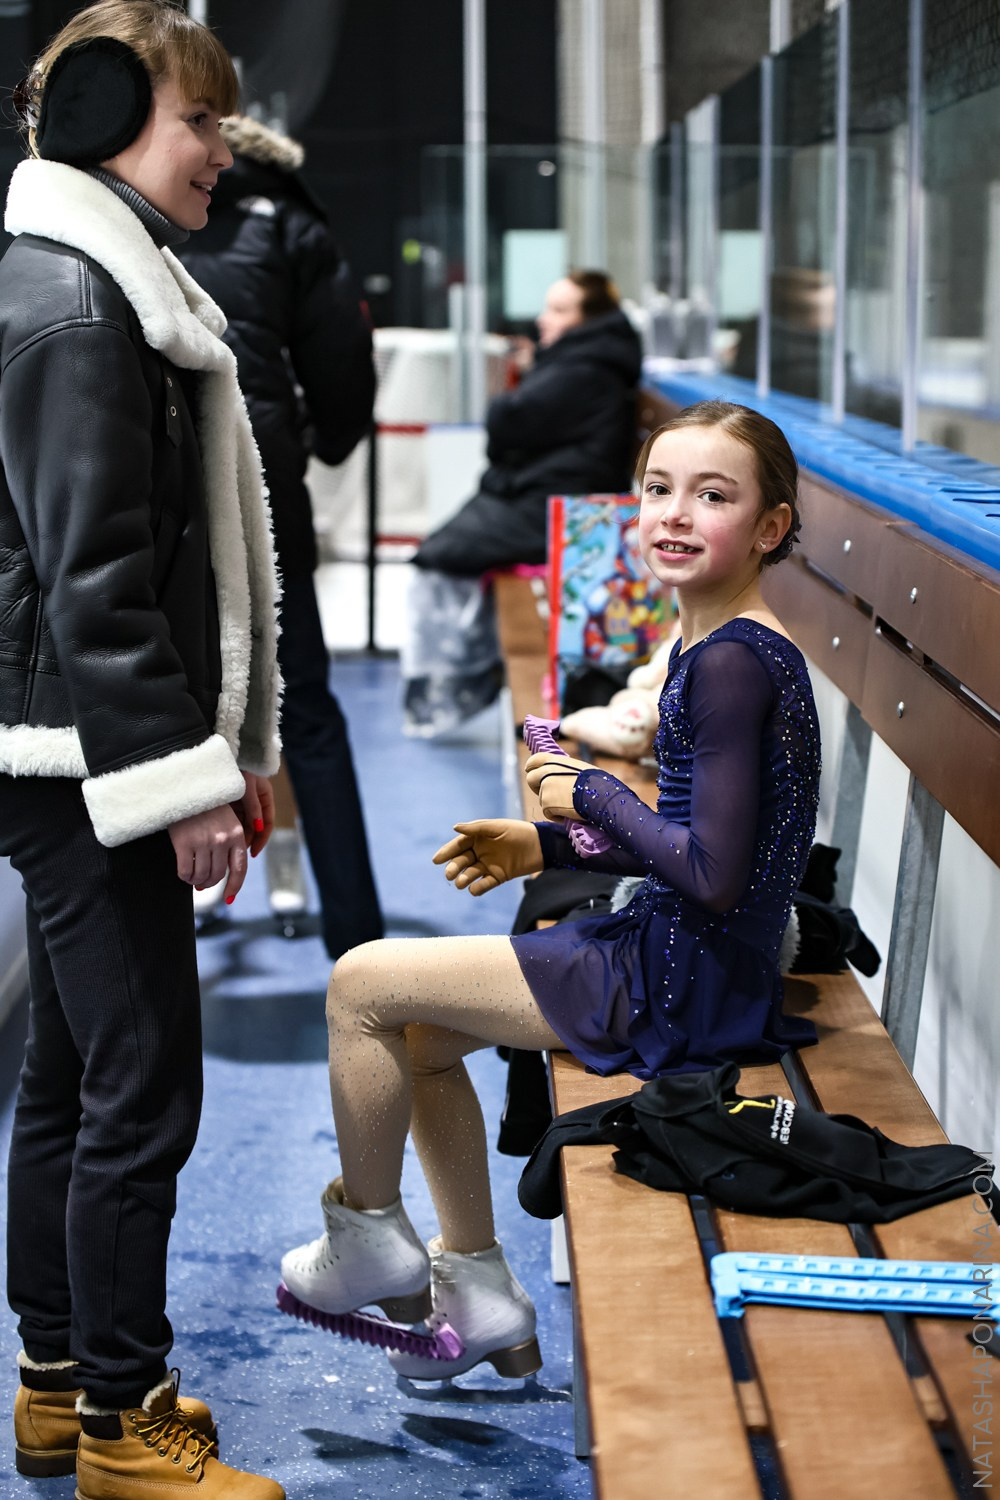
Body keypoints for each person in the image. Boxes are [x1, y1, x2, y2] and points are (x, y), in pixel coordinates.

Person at [280, 399, 821, 1381]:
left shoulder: (732, 664)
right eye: (658, 489)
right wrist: (542, 842)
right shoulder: (715, 645)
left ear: (770, 527)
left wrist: (596, 794)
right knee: (417, 1041)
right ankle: (480, 1289)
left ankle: (365, 1235)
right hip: (685, 957)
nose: (673, 513)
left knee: (360, 983)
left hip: (675, 982)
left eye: (712, 496)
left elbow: (713, 873)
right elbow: (712, 854)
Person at [0, 4, 284, 1496]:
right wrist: (184, 782)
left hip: (81, 750)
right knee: (142, 1088)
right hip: (85, 762)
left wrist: (236, 741)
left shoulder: (117, 284)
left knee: (71, 1074)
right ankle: (125, 1422)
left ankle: (59, 1386)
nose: (223, 152)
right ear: (110, 114)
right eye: (200, 121)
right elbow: (95, 574)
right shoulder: (71, 298)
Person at [176, 114, 383, 959]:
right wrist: (323, 438)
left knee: (160, 703)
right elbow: (342, 365)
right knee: (310, 707)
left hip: (155, 480)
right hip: (259, 480)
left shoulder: (140, 209)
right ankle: (361, 945)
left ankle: (147, 944)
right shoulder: (293, 221)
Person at [403, 269, 643, 736]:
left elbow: (509, 419)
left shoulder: (586, 367)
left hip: (566, 511)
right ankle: (463, 681)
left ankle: (459, 686)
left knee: (439, 559)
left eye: (558, 309)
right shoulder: (587, 359)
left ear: (589, 320)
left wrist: (504, 438)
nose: (542, 319)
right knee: (444, 551)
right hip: (549, 499)